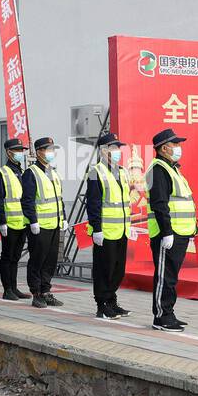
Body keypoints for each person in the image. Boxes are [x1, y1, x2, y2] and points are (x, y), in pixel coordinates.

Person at [147, 128, 196, 332]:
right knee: (164, 276)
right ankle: (161, 316)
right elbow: (160, 204)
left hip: (180, 232)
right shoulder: (157, 169)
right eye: (175, 144)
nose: (178, 148)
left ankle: (169, 312)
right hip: (168, 233)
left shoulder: (173, 169)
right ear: (164, 148)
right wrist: (166, 231)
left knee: (172, 276)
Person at [86, 132, 133, 321]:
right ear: (103, 151)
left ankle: (112, 300)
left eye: (118, 148)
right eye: (113, 148)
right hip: (104, 231)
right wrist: (96, 228)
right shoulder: (95, 172)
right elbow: (93, 204)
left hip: (121, 229)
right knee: (103, 269)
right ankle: (102, 304)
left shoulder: (122, 171)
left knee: (118, 269)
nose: (117, 151)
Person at [21, 136, 64, 308]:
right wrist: (33, 221)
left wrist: (64, 218)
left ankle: (46, 290)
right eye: (48, 149)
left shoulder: (53, 172)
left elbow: (58, 198)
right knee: (37, 260)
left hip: (54, 224)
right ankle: (36, 293)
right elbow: (28, 200)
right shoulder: (31, 173)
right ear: (38, 152)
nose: (51, 153)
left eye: (52, 150)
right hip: (39, 226)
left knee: (50, 260)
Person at [0, 138, 30, 301]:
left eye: (22, 150)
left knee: (16, 257)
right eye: (18, 150)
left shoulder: (21, 171)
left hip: (22, 222)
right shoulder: (3, 172)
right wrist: (2, 221)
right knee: (7, 256)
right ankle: (7, 289)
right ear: (9, 152)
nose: (21, 153)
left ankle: (14, 287)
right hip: (9, 222)